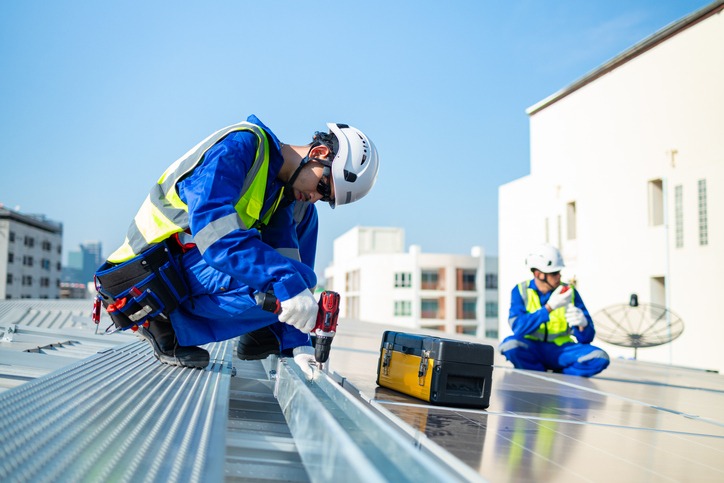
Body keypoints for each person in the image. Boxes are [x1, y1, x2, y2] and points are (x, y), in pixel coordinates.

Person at [95, 115, 379, 372]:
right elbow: (214, 236)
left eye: (326, 199)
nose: (317, 197)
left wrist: (299, 342)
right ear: (318, 153)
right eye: (323, 187)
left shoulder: (280, 192)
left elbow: (290, 266)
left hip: (188, 271)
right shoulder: (241, 146)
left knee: (302, 239)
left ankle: (271, 332)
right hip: (147, 279)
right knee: (289, 278)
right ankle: (163, 324)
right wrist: (288, 285)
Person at [499, 244, 609, 377]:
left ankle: (560, 375)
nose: (559, 277)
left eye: (559, 273)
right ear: (539, 274)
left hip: (561, 350)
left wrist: (583, 325)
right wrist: (548, 308)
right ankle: (539, 373)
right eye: (554, 273)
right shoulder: (520, 291)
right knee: (510, 345)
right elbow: (518, 328)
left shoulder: (570, 292)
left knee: (599, 357)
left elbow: (586, 339)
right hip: (533, 348)